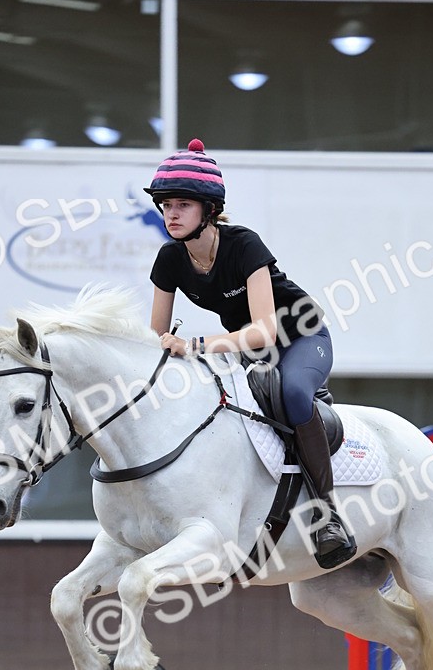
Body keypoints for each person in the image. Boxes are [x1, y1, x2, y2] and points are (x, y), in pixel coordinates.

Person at [145, 138, 356, 570]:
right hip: (247, 352)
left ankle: (328, 516)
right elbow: (155, 337)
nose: (171, 214)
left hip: (300, 338)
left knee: (293, 393)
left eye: (183, 205)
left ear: (209, 210)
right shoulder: (169, 258)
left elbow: (264, 331)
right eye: (166, 205)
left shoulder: (244, 245)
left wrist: (195, 346)